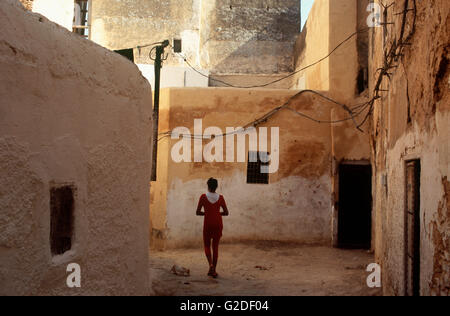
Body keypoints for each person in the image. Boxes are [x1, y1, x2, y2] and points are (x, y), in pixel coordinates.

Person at [196, 177, 229, 278]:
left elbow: (197, 212)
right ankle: (214, 270)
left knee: (207, 245)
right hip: (218, 223)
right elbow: (226, 212)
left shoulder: (203, 197)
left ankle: (210, 264)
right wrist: (217, 213)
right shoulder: (221, 197)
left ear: (208, 186)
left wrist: (207, 213)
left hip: (208, 223)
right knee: (215, 246)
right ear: (216, 187)